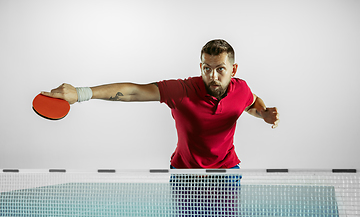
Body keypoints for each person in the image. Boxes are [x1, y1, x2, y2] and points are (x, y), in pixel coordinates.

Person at [42, 39, 279, 169]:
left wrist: (263, 113)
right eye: (207, 68)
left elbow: (251, 103)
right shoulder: (183, 90)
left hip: (227, 172)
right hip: (185, 174)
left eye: (220, 70)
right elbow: (134, 91)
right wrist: (81, 93)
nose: (212, 76)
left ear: (233, 70)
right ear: (201, 67)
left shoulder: (242, 89)